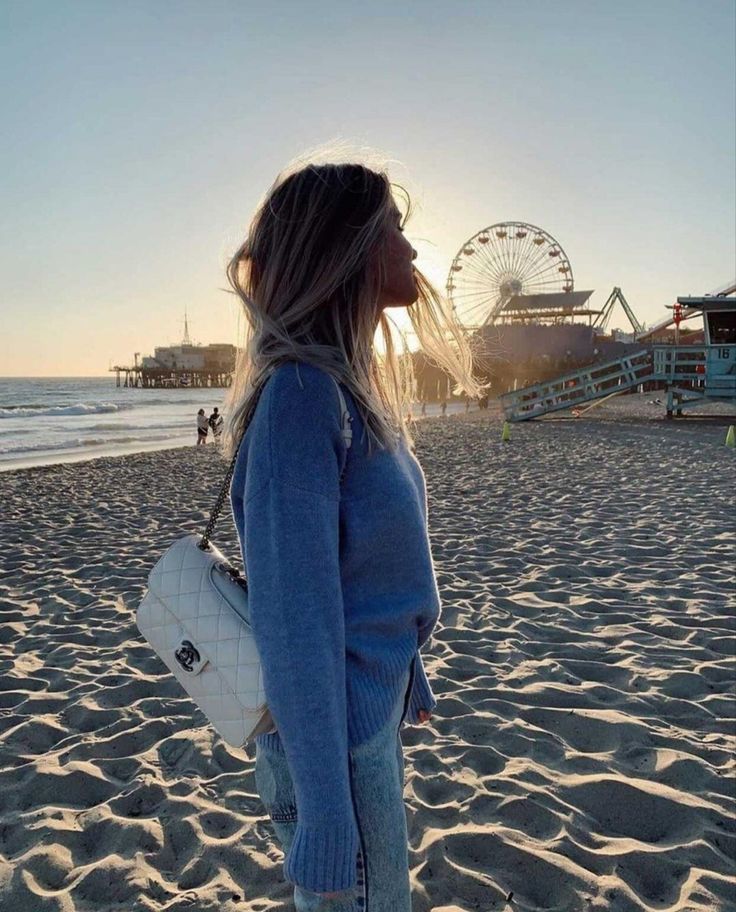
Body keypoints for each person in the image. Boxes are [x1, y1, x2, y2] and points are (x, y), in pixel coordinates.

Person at [223, 160, 487, 910]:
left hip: (359, 724)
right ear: (348, 247)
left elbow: (369, 577)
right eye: (394, 228)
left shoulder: (346, 388)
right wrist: (328, 817)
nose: (411, 248)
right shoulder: (302, 399)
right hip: (330, 753)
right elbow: (294, 627)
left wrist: (408, 671)